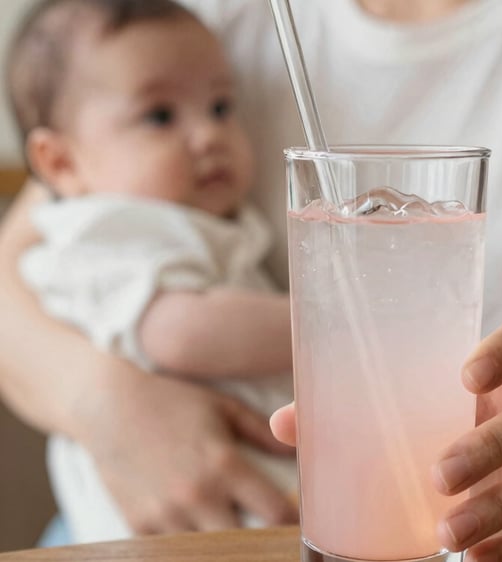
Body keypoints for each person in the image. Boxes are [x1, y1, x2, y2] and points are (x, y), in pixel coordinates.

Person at [0, 0, 502, 559]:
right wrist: (104, 403)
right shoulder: (187, 34)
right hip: (158, 531)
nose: (200, 129)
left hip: (487, 537)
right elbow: (29, 251)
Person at [4, 0, 298, 544]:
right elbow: (181, 333)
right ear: (62, 164)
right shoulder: (106, 233)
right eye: (160, 116)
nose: (208, 135)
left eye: (221, 106)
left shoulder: (183, 223)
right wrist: (334, 320)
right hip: (162, 524)